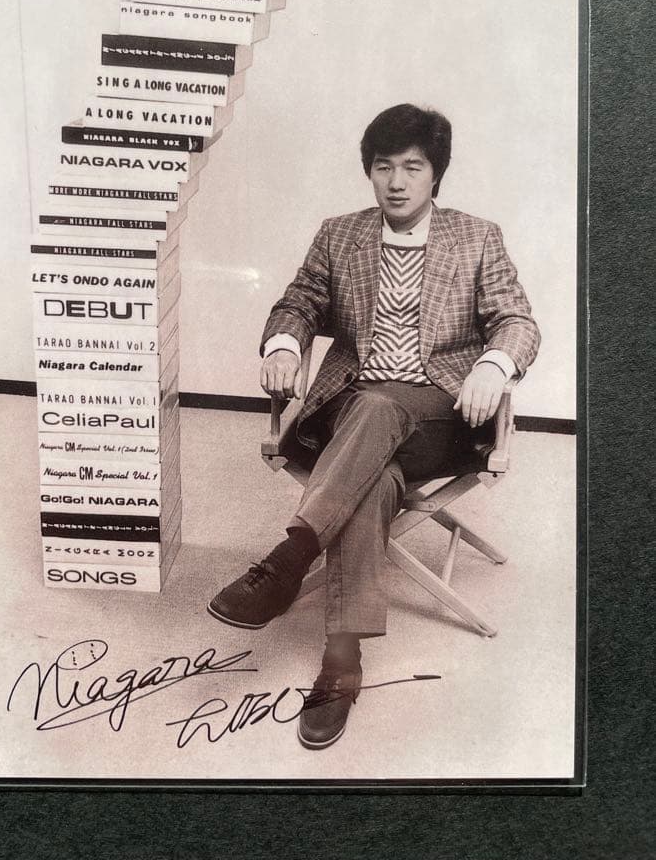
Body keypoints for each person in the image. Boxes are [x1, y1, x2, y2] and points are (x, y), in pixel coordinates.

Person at [207, 103, 541, 749]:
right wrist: (284, 344)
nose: (396, 181)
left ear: (435, 173)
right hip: (352, 411)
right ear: (369, 171)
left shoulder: (477, 237)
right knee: (372, 467)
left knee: (382, 410)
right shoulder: (341, 235)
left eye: (412, 167)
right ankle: (341, 661)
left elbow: (517, 321)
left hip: (441, 414)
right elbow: (299, 301)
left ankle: (290, 559)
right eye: (383, 166)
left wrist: (494, 364)